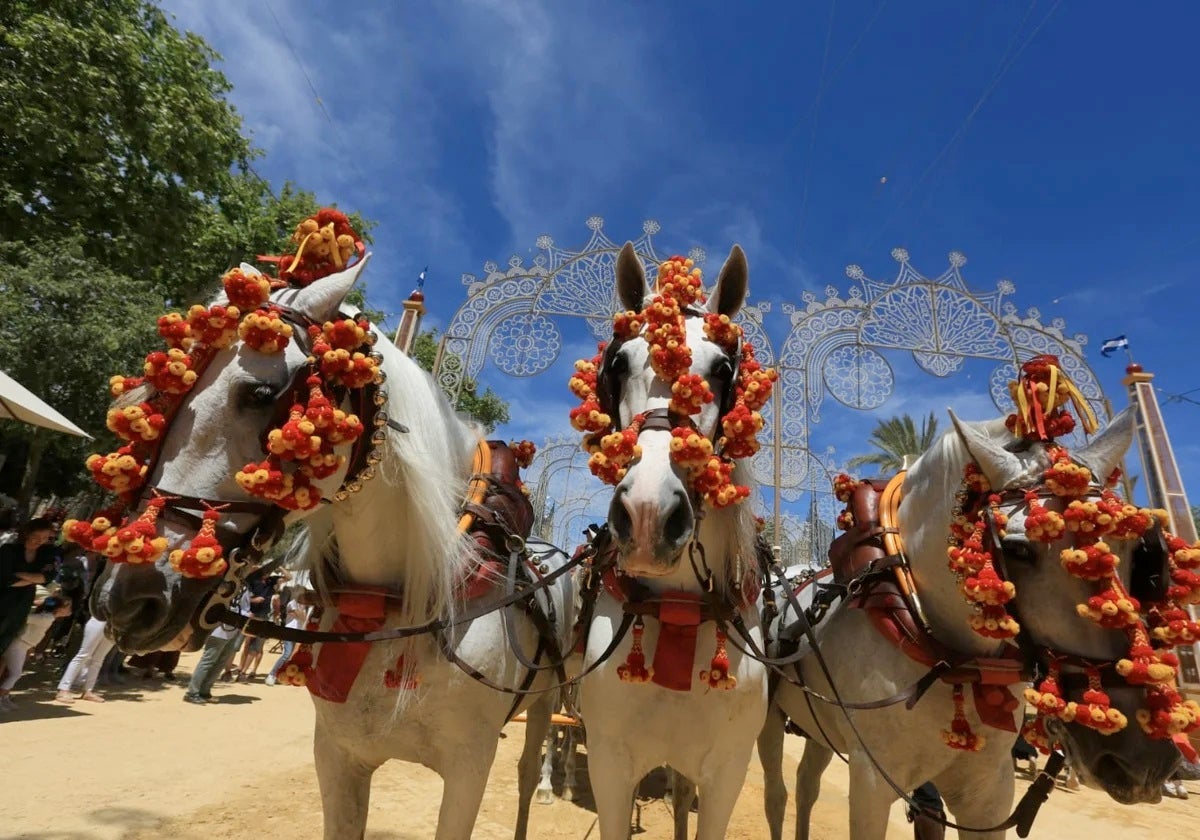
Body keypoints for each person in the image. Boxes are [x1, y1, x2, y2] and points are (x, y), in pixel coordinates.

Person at [0, 593, 72, 711]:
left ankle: (5, 697)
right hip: (18, 645)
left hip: (23, 646)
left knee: (14, 673)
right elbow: (25, 617)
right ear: (59, 608)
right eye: (67, 607)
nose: (69, 610)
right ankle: (2, 697)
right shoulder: (46, 617)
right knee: (15, 673)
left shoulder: (49, 617)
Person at [0, 519, 60, 660]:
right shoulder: (9, 550)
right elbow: (5, 580)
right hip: (2, 599)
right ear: (27, 533)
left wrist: (19, 575)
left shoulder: (46, 554)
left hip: (21, 605)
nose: (40, 541)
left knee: (4, 642)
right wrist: (33, 578)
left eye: (45, 538)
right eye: (37, 537)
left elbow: (48, 577)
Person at [184, 587, 250, 705]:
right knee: (208, 661)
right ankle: (192, 692)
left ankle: (205, 690)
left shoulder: (245, 589)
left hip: (234, 629)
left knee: (220, 662)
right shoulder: (226, 585)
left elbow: (244, 608)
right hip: (218, 629)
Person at [56, 615, 117, 704]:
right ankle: (63, 689)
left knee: (99, 659)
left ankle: (88, 691)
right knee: (83, 655)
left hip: (116, 625)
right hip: (100, 619)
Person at [233, 569, 277, 682]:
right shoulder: (253, 582)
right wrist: (253, 600)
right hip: (251, 616)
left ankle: (244, 671)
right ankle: (240, 668)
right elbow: (250, 599)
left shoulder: (271, 583)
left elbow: (288, 577)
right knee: (247, 644)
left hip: (263, 618)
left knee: (256, 647)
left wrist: (278, 566)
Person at [265, 595, 310, 685]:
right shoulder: (292, 603)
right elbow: (303, 618)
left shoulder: (306, 606)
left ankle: (286, 676)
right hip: (289, 632)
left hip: (299, 633)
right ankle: (272, 674)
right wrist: (303, 615)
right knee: (287, 654)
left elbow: (303, 618)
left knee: (293, 656)